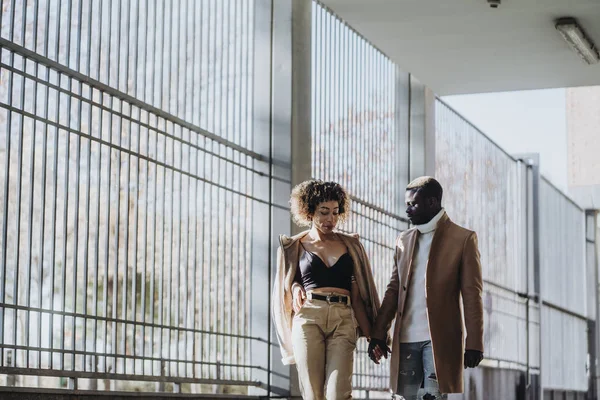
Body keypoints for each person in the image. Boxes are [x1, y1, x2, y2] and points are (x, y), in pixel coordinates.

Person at [368, 176, 484, 399]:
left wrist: (475, 342)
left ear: (432, 202)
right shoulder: (404, 239)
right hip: (405, 339)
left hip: (439, 341)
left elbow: (472, 294)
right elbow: (393, 290)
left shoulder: (463, 239)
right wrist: (378, 333)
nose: (408, 210)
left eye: (413, 204)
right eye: (407, 205)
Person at [272, 180, 383, 400]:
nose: (330, 219)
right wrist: (295, 289)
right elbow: (289, 281)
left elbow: (358, 297)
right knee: (313, 395)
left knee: (338, 394)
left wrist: (373, 337)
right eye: (323, 212)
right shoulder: (295, 245)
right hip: (308, 319)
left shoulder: (351, 245)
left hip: (343, 319)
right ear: (309, 210)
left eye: (335, 212)